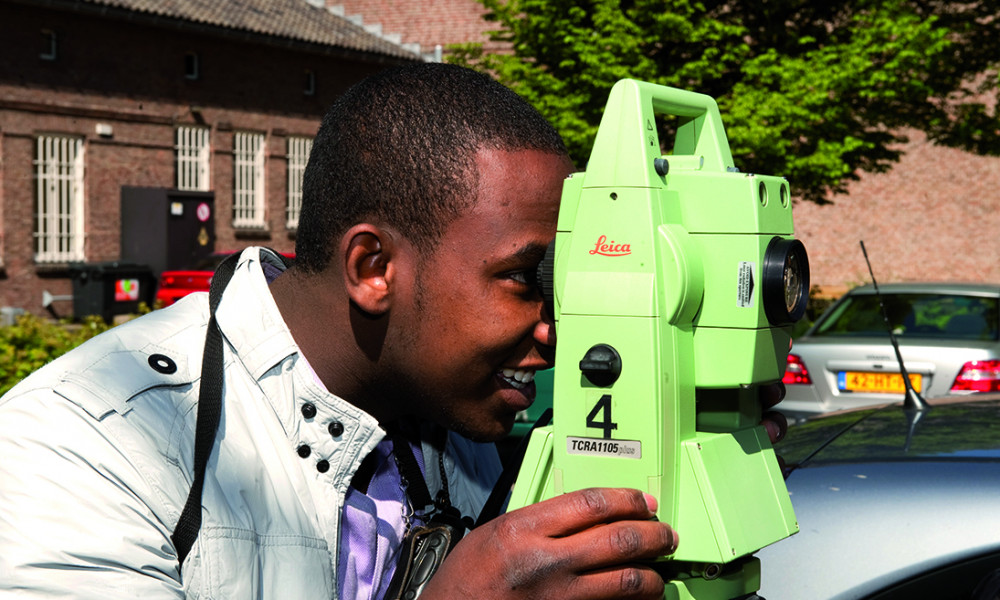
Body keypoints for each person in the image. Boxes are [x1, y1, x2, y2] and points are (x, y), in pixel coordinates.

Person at [0, 63, 785, 599]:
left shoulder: (475, 418)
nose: (559, 331)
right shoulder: (84, 452)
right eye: (527, 279)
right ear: (374, 268)